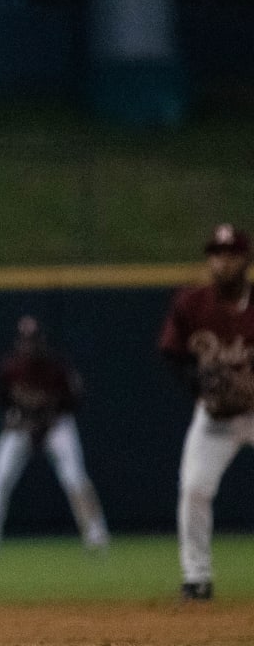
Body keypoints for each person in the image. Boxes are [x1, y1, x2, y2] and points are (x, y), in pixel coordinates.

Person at [158, 222, 254, 603]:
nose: (222, 261)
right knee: (195, 488)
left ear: (245, 260)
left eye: (230, 254)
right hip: (215, 417)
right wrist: (199, 383)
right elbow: (172, 353)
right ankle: (197, 578)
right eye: (216, 254)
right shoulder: (190, 304)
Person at [0, 315, 109, 555]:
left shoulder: (57, 366)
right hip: (22, 426)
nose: (29, 345)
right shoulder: (9, 367)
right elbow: (2, 401)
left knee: (75, 477)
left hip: (55, 425)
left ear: (41, 340)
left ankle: (96, 536)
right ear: (18, 341)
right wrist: (16, 420)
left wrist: (47, 418)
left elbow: (74, 400)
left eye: (33, 339)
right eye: (25, 340)